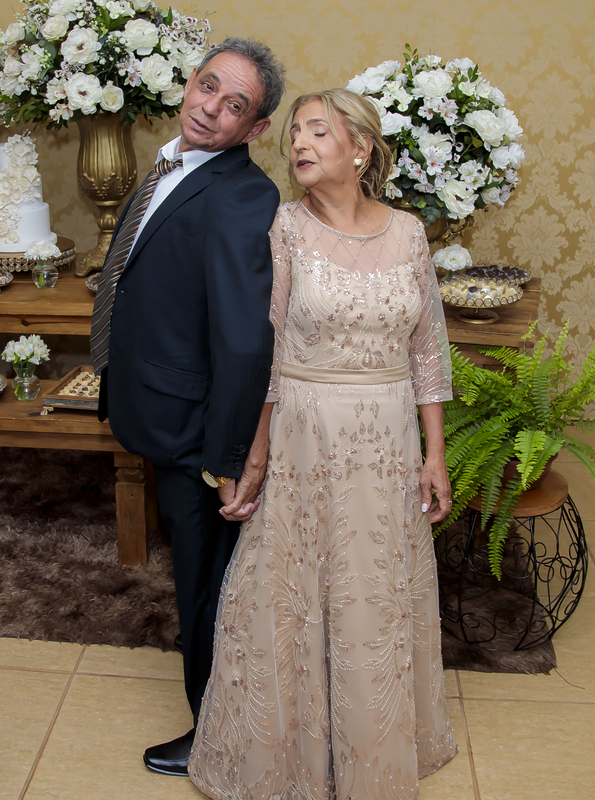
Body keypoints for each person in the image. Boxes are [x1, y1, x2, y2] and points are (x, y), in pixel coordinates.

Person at [188, 88, 459, 798]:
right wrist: (253, 458)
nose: (299, 145)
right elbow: (267, 353)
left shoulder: (409, 232)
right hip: (307, 436)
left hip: (388, 439)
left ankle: (375, 750)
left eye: (318, 131)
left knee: (375, 591)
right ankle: (287, 762)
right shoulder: (285, 227)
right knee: (295, 593)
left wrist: (433, 454)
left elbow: (428, 352)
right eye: (295, 135)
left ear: (361, 148)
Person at [89, 38, 287, 777]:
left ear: (255, 128)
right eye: (208, 87)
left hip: (194, 428)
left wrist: (228, 456)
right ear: (188, 84)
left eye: (235, 106)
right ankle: (218, 707)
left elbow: (243, 340)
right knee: (195, 574)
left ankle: (215, 736)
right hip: (157, 405)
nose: (211, 109)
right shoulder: (171, 163)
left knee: (205, 584)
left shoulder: (243, 195)